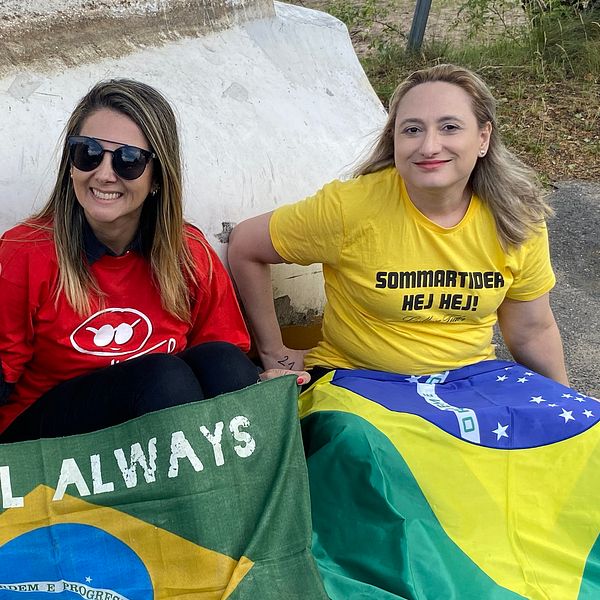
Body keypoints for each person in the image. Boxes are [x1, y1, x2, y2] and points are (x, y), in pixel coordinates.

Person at [227, 63, 568, 386]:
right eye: (412, 130)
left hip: (466, 387)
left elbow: (531, 331)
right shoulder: (352, 207)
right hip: (359, 386)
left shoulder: (515, 216)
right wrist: (274, 353)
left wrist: (571, 413)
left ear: (483, 138)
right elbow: (246, 245)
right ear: (394, 139)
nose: (429, 146)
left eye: (449, 127)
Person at [0, 79, 277, 443]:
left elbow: (223, 361)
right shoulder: (25, 251)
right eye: (88, 153)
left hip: (156, 427)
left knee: (223, 364)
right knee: (164, 379)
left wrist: (258, 387)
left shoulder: (188, 252)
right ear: (71, 165)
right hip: (48, 440)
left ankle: (229, 496)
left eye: (129, 160)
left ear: (157, 178)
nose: (103, 173)